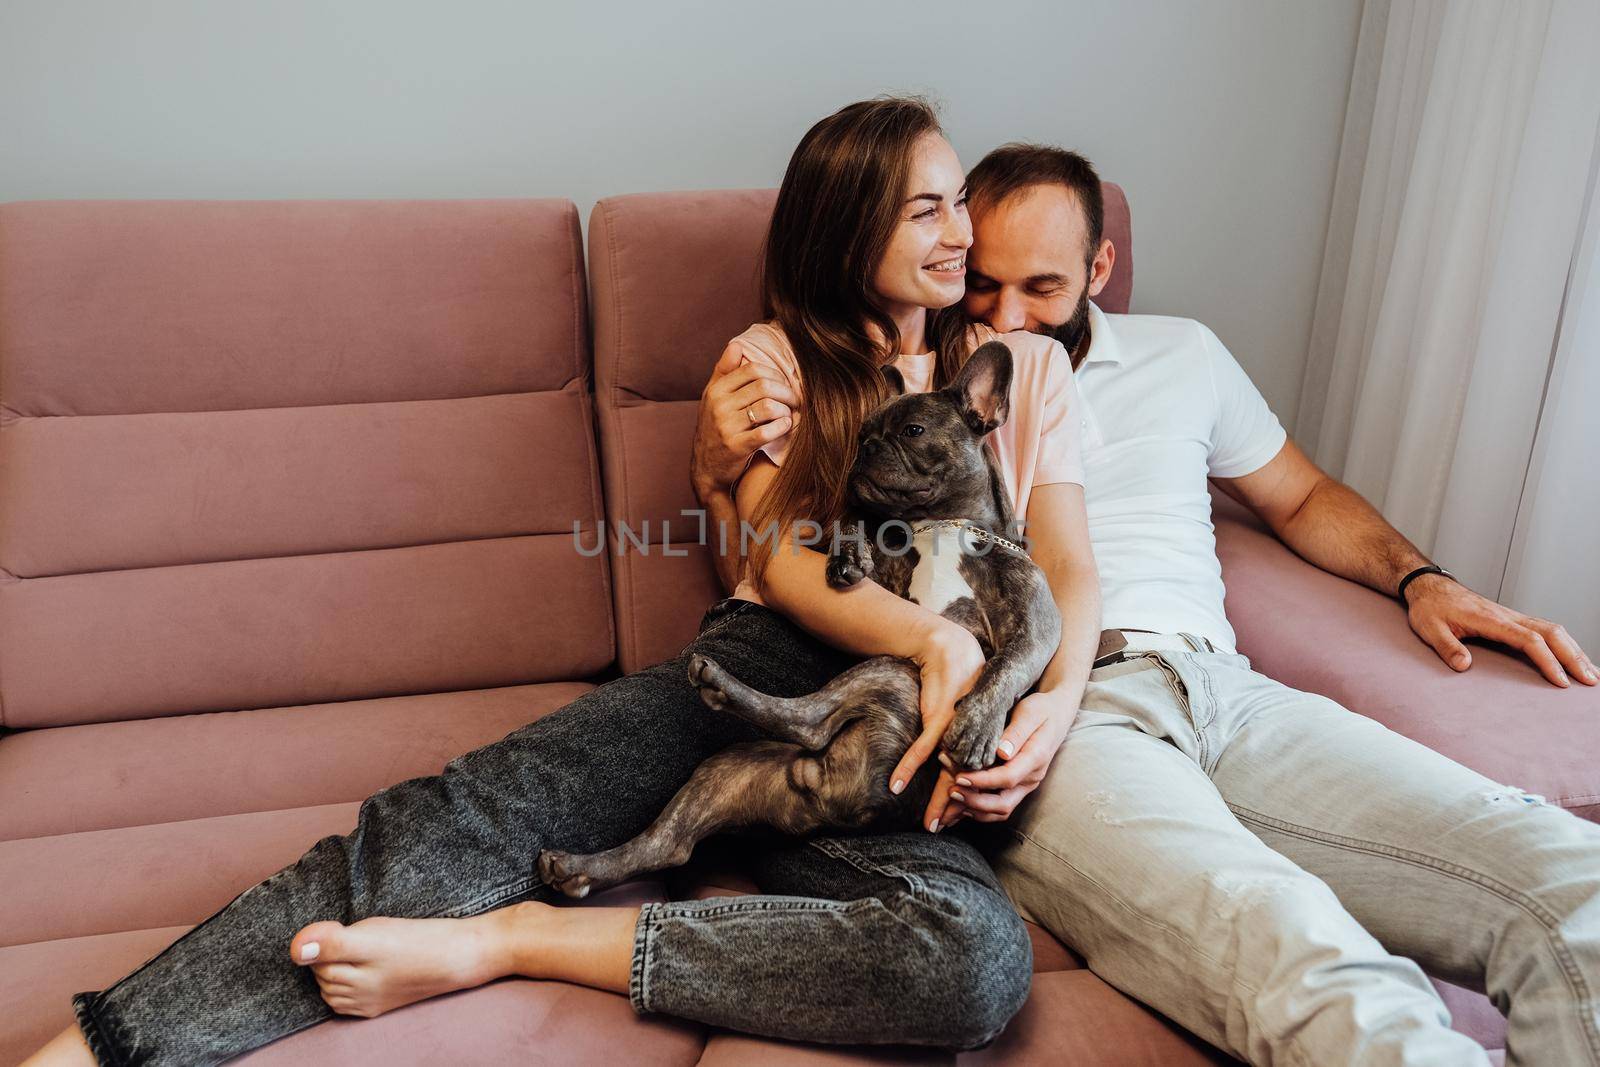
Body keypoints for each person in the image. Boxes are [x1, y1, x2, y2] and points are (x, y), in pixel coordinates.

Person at [22, 100, 1102, 1067]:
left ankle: (510, 939)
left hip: (893, 749)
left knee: (975, 963)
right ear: (847, 226)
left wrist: (1044, 703)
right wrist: (925, 637)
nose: (961, 231)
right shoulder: (769, 360)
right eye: (925, 210)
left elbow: (1064, 566)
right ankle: (98, 1045)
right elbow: (776, 562)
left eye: (957, 200)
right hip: (764, 668)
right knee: (461, 818)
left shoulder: (1019, 370)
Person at [692, 141, 1600, 1066]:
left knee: (1568, 879)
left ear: (1101, 268)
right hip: (1069, 717)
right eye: (985, 285)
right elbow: (791, 561)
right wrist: (718, 483)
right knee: (1308, 957)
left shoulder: (1186, 353)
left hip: (1228, 692)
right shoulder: (929, 381)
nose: (1008, 317)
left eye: (1041, 287)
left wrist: (1422, 579)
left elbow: (1302, 497)